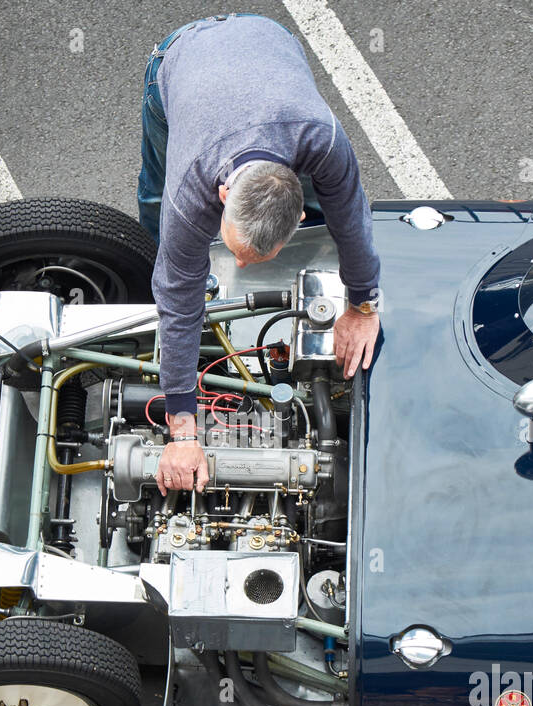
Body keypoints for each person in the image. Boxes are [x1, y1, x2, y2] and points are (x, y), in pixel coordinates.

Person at [137, 14, 381, 496]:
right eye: (235, 253)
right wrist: (182, 429)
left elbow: (352, 222)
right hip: (181, 60)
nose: (240, 270)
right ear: (223, 195)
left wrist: (362, 306)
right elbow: (181, 305)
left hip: (270, 44)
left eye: (252, 258)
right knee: (155, 206)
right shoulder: (191, 195)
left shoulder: (324, 142)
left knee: (333, 207)